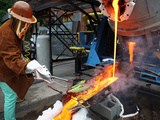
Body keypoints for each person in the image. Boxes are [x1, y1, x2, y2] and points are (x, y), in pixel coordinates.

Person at [0, 1, 51, 120]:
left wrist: (28, 64)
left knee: (20, 82)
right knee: (10, 95)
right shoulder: (6, 33)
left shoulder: (14, 27)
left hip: (8, 67)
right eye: (26, 23)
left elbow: (16, 52)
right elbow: (12, 59)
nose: (27, 26)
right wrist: (29, 66)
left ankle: (17, 96)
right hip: (3, 70)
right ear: (19, 20)